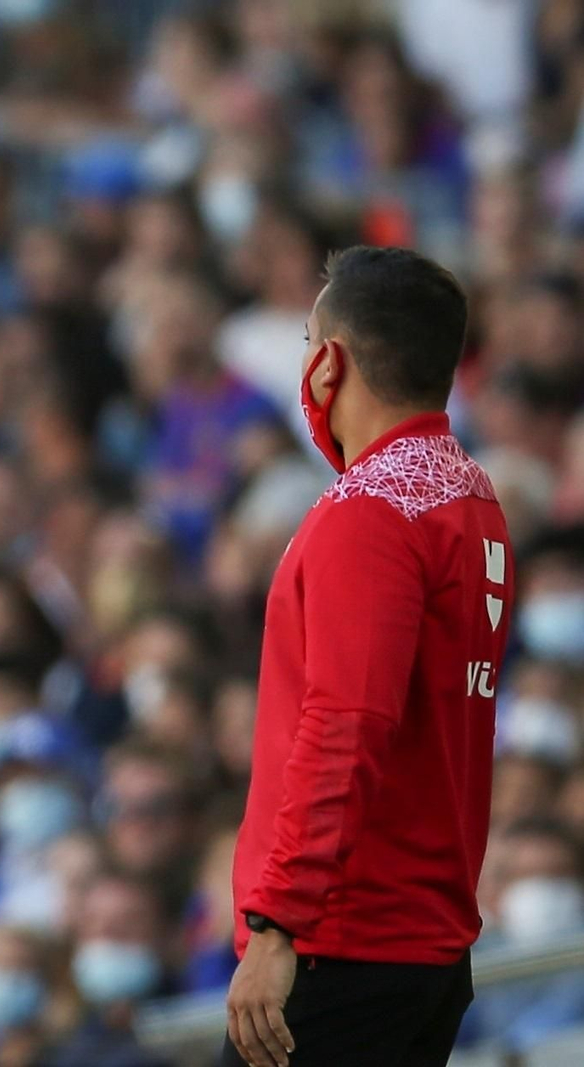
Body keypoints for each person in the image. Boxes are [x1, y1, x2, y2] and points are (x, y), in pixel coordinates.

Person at [224, 246, 511, 1067]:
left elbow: (347, 724)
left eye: (308, 339)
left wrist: (278, 923)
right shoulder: (472, 497)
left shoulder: (372, 512)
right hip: (420, 946)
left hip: (341, 944)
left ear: (331, 361)